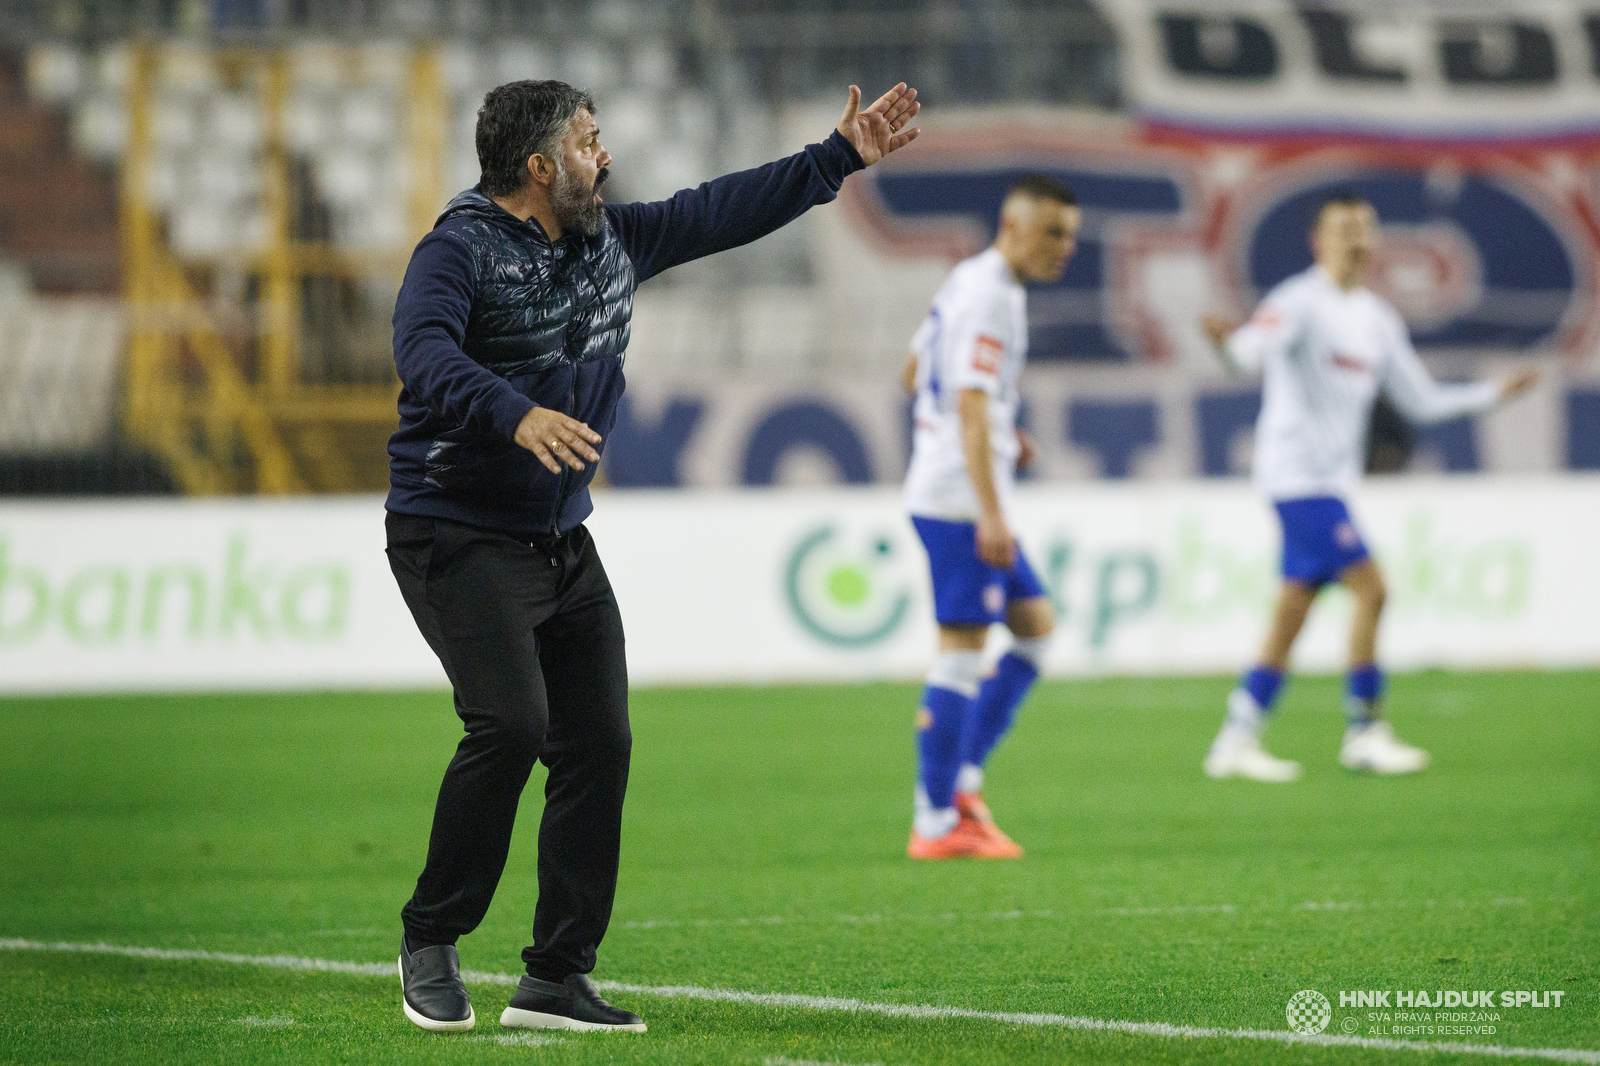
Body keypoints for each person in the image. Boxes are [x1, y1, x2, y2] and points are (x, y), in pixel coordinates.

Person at [386, 78, 920, 1033]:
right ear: (542, 166)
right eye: (591, 141)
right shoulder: (456, 248)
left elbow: (715, 213)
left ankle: (554, 977)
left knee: (599, 741)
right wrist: (517, 415)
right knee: (510, 725)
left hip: (557, 538)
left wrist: (836, 156)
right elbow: (420, 352)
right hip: (454, 527)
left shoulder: (609, 240)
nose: (607, 155)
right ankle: (430, 938)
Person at [1199, 192, 1537, 783]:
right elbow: (1249, 355)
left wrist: (1492, 395)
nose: (1357, 239)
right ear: (1318, 241)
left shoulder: (1377, 319)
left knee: (1292, 612)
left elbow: (1422, 401)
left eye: (1366, 228)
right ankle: (1364, 730)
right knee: (1374, 590)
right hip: (1296, 479)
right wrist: (1226, 347)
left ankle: (1236, 736)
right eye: (1344, 229)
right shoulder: (1299, 302)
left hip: (1329, 482)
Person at [900, 175, 1081, 859]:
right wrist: (992, 510)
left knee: (1035, 630)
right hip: (960, 501)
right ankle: (937, 820)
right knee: (962, 654)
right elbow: (969, 405)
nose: (1064, 247)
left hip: (954, 486)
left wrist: (1003, 427)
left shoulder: (969, 281)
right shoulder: (991, 298)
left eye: (1069, 234)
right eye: (1052, 232)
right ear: (1013, 226)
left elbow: (914, 370)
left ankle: (962, 782)